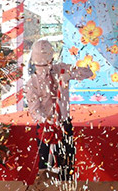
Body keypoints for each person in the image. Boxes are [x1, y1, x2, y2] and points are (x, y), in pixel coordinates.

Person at [25, 39, 93, 180]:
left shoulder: (61, 69)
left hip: (64, 123)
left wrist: (70, 75)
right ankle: (45, 187)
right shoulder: (32, 82)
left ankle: (66, 183)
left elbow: (88, 73)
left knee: (67, 161)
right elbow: (34, 109)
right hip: (46, 127)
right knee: (45, 165)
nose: (43, 68)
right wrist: (47, 121)